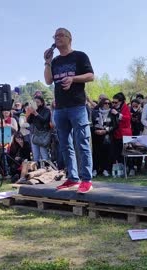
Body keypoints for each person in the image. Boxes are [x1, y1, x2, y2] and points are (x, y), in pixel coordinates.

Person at [44, 27, 95, 193]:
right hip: (60, 108)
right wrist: (48, 61)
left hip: (77, 106)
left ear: (69, 38)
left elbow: (91, 76)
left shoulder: (80, 56)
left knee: (82, 143)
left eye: (60, 35)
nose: (57, 38)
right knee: (65, 145)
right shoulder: (56, 61)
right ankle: (72, 178)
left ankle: (86, 179)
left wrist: (73, 78)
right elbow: (48, 80)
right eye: (55, 36)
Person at [91, 98, 117, 177]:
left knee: (107, 153)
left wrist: (106, 130)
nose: (107, 105)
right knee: (96, 153)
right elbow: (91, 123)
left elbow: (115, 125)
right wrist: (95, 130)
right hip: (96, 136)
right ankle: (95, 169)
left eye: (109, 103)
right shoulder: (95, 113)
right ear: (101, 104)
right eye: (105, 103)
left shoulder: (112, 113)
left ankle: (106, 170)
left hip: (107, 136)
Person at [27, 96, 51, 162]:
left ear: (42, 103)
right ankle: (36, 169)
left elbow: (45, 120)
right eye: (35, 102)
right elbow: (29, 121)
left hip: (43, 134)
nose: (36, 104)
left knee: (44, 154)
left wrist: (36, 114)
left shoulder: (46, 110)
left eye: (38, 102)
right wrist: (31, 113)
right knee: (35, 155)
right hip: (34, 134)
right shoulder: (34, 111)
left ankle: (47, 169)